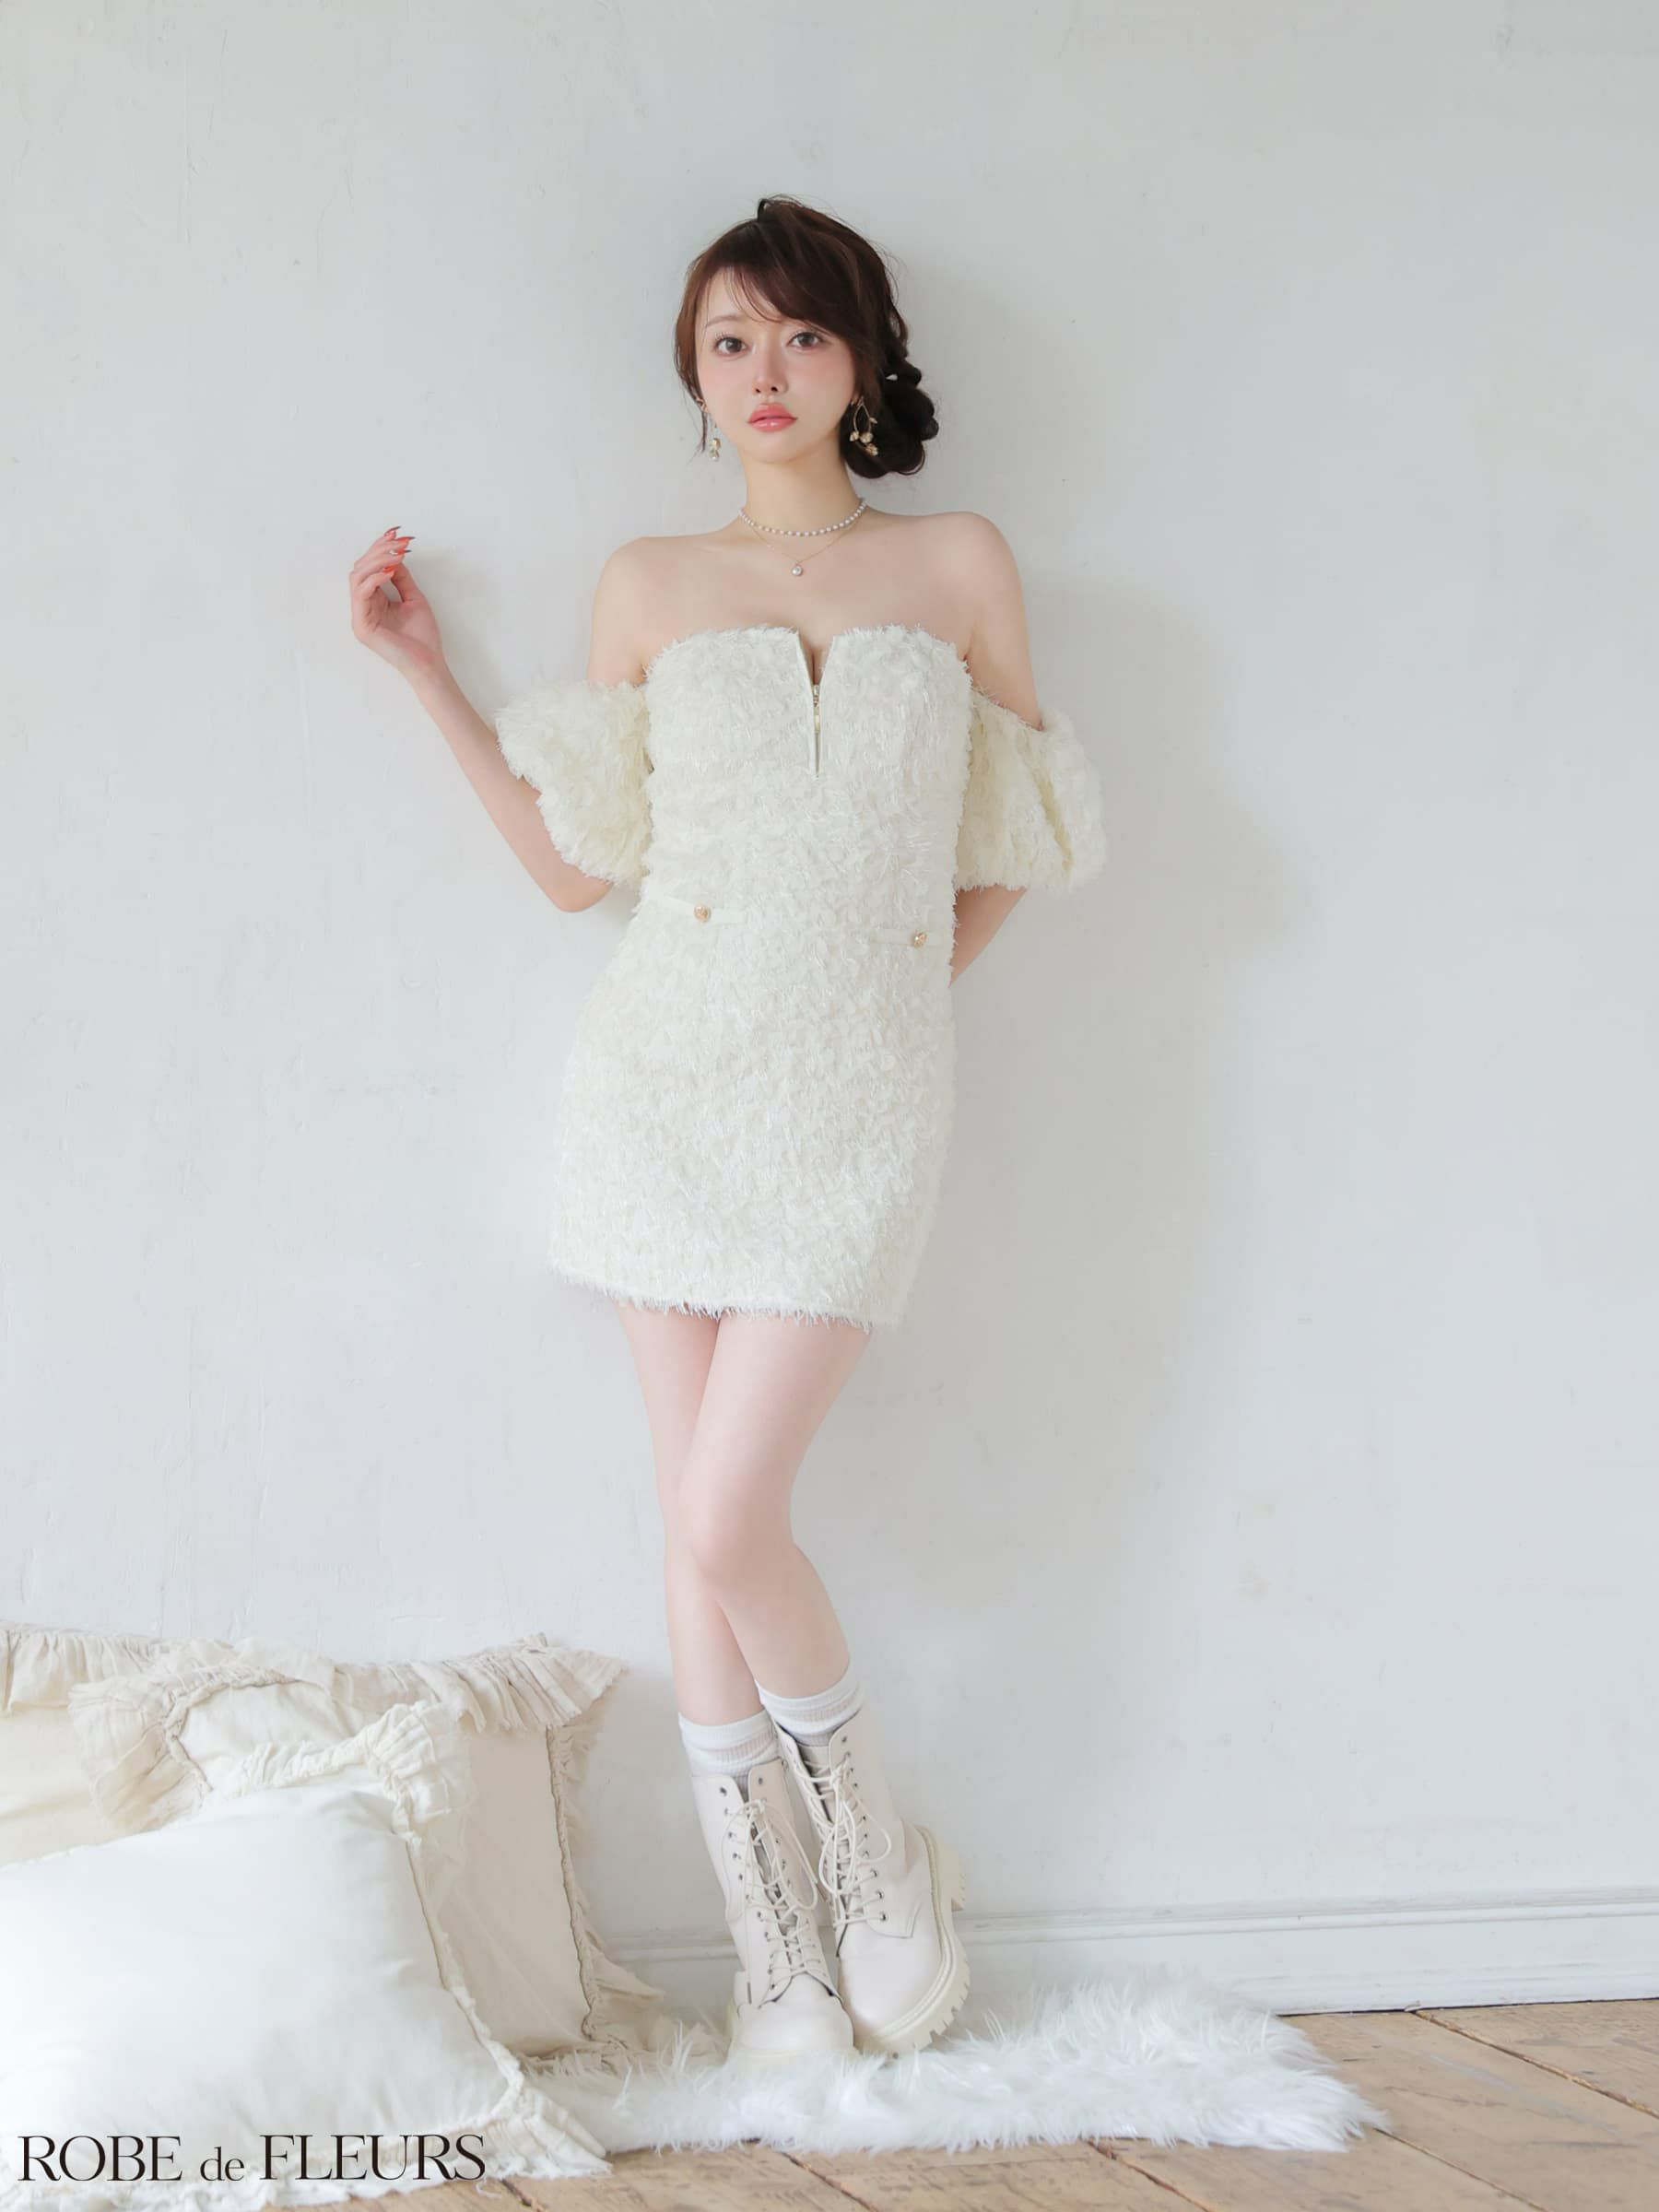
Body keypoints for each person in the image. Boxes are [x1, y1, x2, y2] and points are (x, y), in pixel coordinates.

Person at [347, 194, 1106, 2068]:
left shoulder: (958, 564)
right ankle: (776, 1952)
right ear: (694, 376)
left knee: (725, 1510)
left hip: (859, 1097)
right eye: (729, 342)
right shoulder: (649, 584)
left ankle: (875, 1859)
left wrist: (895, 989)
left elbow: (1028, 832)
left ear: (866, 360)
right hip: (660, 1088)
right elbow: (571, 867)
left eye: (801, 334)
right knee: (695, 1526)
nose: (766, 371)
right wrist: (427, 675)